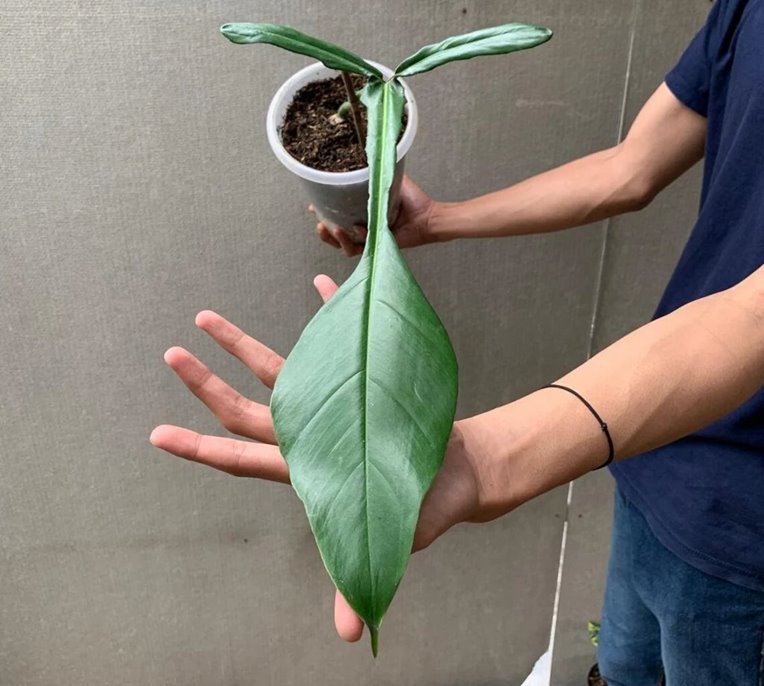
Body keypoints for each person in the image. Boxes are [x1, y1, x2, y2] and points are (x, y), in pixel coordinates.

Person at [151, 1, 764, 683]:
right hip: (654, 438)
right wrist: (439, 221)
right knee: (622, 664)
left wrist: (497, 457)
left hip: (746, 512)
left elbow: (752, 318)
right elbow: (630, 169)